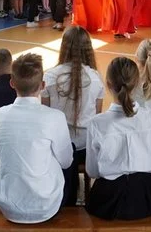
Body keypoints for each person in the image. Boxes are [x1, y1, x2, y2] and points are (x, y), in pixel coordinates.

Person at [0, 53, 74, 224]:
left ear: (12, 83)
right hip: (46, 206)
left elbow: (1, 154)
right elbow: (66, 162)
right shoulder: (54, 117)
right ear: (42, 85)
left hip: (8, 205)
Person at [85, 57, 151, 220]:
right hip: (147, 198)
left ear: (108, 84)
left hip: (109, 201)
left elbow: (92, 171)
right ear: (137, 84)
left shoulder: (96, 123)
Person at [42, 26, 105, 205]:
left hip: (58, 145)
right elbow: (97, 115)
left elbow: (45, 114)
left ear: (64, 47)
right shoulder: (95, 77)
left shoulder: (50, 76)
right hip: (86, 147)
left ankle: (64, 194)